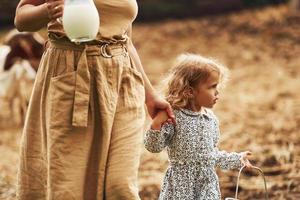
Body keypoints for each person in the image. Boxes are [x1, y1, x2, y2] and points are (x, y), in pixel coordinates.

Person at [14, 0, 175, 199]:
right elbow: (21, 19)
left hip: (122, 81)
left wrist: (150, 96)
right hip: (71, 76)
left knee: (121, 187)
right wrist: (47, 10)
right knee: (69, 187)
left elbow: (126, 40)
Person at [144, 53, 253, 200]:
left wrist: (237, 159)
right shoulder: (174, 117)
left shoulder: (211, 119)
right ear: (189, 91)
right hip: (180, 188)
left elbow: (211, 156)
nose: (217, 92)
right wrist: (156, 124)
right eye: (212, 87)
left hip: (206, 186)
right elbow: (153, 147)